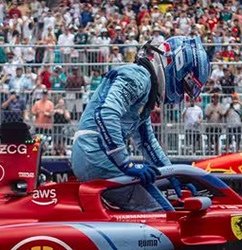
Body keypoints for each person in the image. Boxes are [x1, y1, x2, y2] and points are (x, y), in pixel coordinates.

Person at [71, 34, 210, 210]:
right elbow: (106, 114)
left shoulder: (145, 91)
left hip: (93, 155)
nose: (182, 94)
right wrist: (126, 164)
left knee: (165, 202)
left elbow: (147, 142)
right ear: (176, 65)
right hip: (97, 155)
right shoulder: (138, 76)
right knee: (163, 213)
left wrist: (173, 177)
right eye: (186, 85)